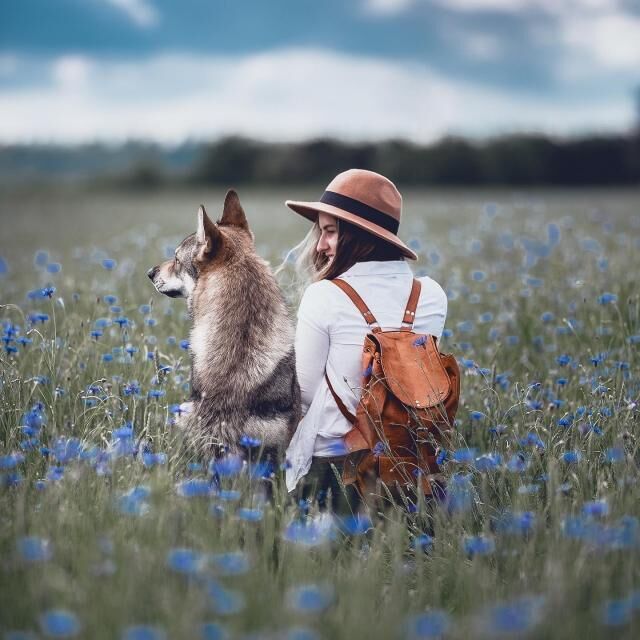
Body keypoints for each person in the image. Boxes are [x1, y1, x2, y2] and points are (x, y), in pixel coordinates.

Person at [283, 169, 448, 515]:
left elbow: (303, 392)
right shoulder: (430, 295)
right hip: (410, 470)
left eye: (330, 232)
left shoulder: (324, 295)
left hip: (336, 470)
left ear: (359, 236)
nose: (320, 245)